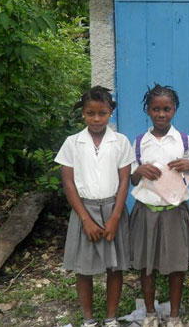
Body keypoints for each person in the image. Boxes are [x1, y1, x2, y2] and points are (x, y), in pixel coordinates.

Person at [55, 86, 133, 327]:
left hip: (113, 209)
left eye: (102, 113)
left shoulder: (120, 142)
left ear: (111, 113)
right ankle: (88, 319)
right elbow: (68, 183)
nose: (97, 119)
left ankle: (111, 318)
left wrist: (115, 217)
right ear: (83, 114)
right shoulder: (72, 143)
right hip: (83, 211)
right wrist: (86, 220)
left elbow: (124, 181)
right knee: (84, 269)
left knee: (115, 267)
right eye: (91, 113)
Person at [129, 84, 189, 327]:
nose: (161, 114)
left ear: (174, 110)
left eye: (167, 109)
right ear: (148, 111)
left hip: (174, 212)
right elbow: (130, 178)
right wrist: (139, 170)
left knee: (176, 267)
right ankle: (150, 313)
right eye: (156, 109)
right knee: (146, 266)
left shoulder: (184, 141)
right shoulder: (140, 142)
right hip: (146, 212)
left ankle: (174, 316)